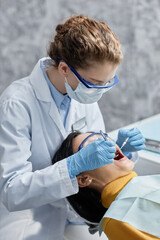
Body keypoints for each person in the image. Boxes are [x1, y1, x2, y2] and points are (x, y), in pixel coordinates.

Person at [0, 15, 145, 240]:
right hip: (28, 217)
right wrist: (73, 166)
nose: (100, 90)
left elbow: (94, 163)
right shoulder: (17, 104)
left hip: (77, 212)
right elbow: (11, 191)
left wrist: (120, 149)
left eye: (108, 82)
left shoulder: (82, 93)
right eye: (95, 83)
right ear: (65, 68)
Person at [52, 131, 159, 240]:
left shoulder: (146, 183)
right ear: (84, 179)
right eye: (94, 146)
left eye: (104, 137)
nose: (108, 143)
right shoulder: (118, 221)